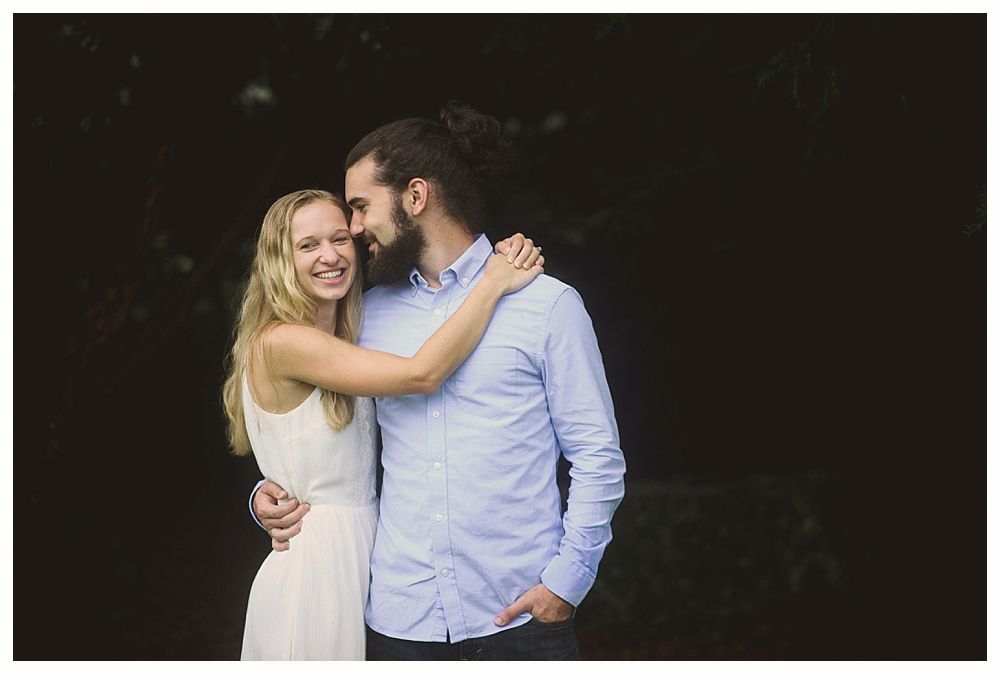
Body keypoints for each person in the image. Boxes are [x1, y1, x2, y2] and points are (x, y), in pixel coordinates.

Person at [253, 102, 626, 660]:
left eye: (360, 207)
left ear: (416, 196)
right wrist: (267, 494)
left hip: (520, 620)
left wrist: (564, 586)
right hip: (400, 623)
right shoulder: (363, 317)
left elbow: (598, 457)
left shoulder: (547, 305)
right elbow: (315, 428)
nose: (352, 231)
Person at [223, 187, 544, 660]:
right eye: (308, 245)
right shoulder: (283, 341)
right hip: (317, 569)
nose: (330, 256)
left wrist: (264, 494)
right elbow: (422, 374)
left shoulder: (348, 335)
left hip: (365, 561)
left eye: (339, 238)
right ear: (278, 259)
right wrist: (492, 283)